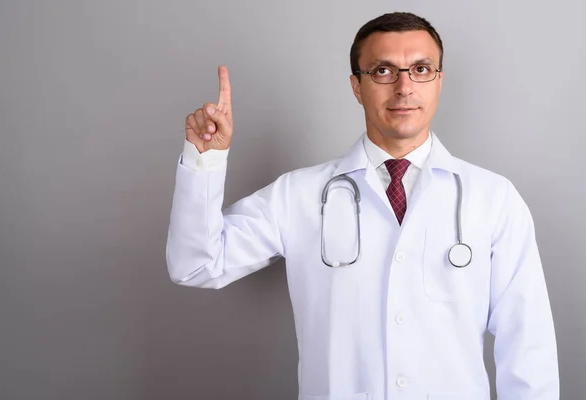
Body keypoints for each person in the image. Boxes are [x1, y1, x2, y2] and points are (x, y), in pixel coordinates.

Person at [166, 11, 559, 400]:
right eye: (383, 71)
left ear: (439, 81)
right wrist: (205, 159)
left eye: (420, 69)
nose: (404, 87)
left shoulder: (492, 198)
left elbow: (527, 340)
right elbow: (196, 265)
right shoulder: (298, 195)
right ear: (357, 86)